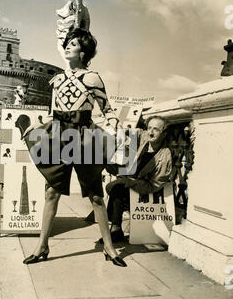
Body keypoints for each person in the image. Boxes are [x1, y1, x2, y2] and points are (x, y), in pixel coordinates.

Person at [16, 28, 127, 267]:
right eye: (67, 43)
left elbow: (107, 109)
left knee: (96, 196)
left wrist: (115, 127)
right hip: (58, 135)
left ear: (84, 51)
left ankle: (109, 247)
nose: (67, 46)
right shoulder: (56, 80)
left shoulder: (93, 78)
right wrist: (37, 126)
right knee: (51, 192)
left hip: (84, 136)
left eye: (73, 43)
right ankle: (42, 246)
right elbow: (51, 113)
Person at [99, 116, 173, 243]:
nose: (150, 132)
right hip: (131, 177)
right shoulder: (146, 139)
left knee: (116, 188)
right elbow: (137, 132)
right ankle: (115, 229)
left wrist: (131, 183)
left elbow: (155, 184)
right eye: (149, 128)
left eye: (156, 129)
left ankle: (115, 229)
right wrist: (121, 129)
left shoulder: (165, 155)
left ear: (164, 133)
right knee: (107, 165)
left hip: (144, 189)